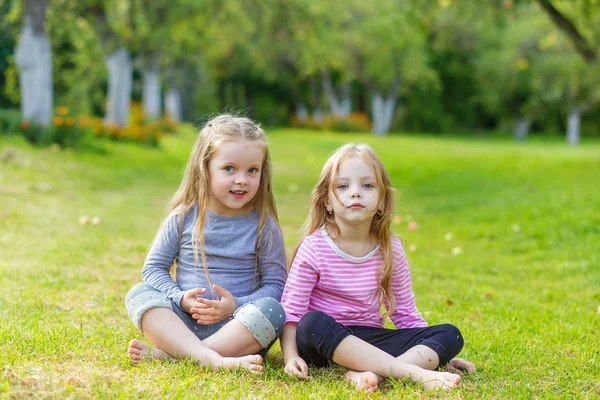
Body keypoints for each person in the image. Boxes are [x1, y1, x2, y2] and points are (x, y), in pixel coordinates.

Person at [280, 143, 475, 392]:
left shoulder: (390, 249)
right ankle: (412, 372)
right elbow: (292, 313)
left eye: (367, 185)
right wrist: (290, 357)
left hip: (370, 340)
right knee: (311, 321)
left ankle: (371, 373)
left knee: (451, 334)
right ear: (327, 202)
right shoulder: (314, 248)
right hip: (322, 342)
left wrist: (435, 350)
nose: (355, 193)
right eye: (343, 186)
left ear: (382, 201)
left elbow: (405, 314)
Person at [125, 114, 287, 374]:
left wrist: (237, 305)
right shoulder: (183, 217)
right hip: (183, 323)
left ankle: (177, 355)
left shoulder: (264, 227)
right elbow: (154, 269)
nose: (242, 179)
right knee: (139, 293)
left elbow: (276, 286)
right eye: (229, 168)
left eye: (252, 170)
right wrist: (181, 299)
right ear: (205, 168)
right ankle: (209, 357)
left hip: (237, 329)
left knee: (272, 310)